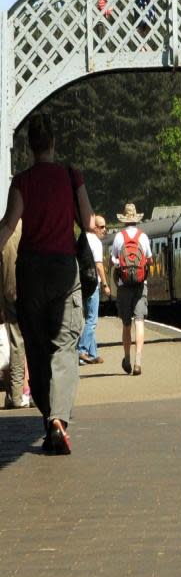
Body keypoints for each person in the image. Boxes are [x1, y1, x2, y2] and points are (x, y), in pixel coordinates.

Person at [0, 114, 102, 454]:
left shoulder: (22, 181)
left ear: (30, 147)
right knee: (65, 346)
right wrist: (96, 220)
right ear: (53, 143)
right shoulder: (71, 177)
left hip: (29, 270)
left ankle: (49, 421)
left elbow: (9, 224)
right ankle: (58, 418)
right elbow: (88, 222)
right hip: (62, 271)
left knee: (38, 350)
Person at [111, 203, 152, 376]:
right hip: (140, 285)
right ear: (136, 219)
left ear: (124, 220)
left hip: (123, 286)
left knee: (126, 324)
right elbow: (149, 260)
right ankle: (138, 362)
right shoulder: (143, 237)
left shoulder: (118, 237)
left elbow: (114, 260)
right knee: (139, 322)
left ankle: (126, 359)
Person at [2, 220, 31, 409]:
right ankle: (34, 393)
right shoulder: (31, 226)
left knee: (16, 343)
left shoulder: (3, 229)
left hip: (9, 291)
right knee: (35, 342)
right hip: (32, 291)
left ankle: (15, 393)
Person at [76, 215, 110, 364]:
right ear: (94, 227)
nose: (104, 230)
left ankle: (92, 353)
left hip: (81, 284)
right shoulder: (95, 242)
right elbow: (99, 265)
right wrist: (105, 284)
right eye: (101, 227)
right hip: (92, 285)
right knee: (92, 320)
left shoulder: (82, 239)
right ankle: (81, 350)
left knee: (89, 318)